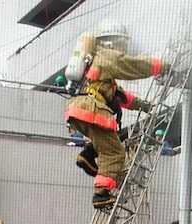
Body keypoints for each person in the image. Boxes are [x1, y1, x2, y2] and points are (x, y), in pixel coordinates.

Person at [64, 20, 168, 208]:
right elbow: (133, 65)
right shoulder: (106, 56)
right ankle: (101, 195)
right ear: (113, 41)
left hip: (80, 108)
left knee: (106, 141)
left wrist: (143, 105)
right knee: (114, 152)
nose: (124, 48)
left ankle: (87, 155)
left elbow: (119, 96)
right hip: (90, 108)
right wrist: (161, 66)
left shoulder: (95, 64)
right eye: (123, 43)